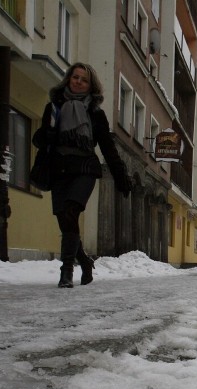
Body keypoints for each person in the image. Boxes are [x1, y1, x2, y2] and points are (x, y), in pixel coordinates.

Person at [33, 62, 132, 288]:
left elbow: (107, 146)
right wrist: (47, 133)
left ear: (91, 86)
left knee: (70, 211)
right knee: (66, 223)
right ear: (69, 79)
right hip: (58, 168)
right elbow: (39, 140)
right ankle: (84, 261)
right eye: (75, 77)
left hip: (85, 168)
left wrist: (121, 176)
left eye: (84, 79)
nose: (78, 81)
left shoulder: (95, 113)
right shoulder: (54, 107)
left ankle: (66, 270)